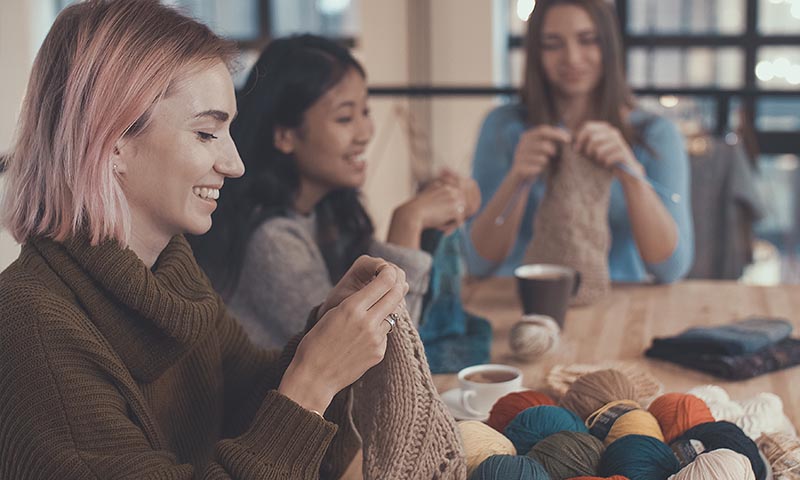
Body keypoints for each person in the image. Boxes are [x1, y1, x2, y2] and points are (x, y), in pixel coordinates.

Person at [0, 2, 466, 479]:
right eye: (206, 133)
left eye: (228, 131)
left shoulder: (171, 278)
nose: (235, 163)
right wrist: (313, 381)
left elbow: (247, 401)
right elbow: (282, 417)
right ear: (112, 140)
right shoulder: (30, 329)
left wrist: (325, 329)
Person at [189, 34, 480, 349]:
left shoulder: (327, 210)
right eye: (345, 117)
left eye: (365, 112)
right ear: (285, 135)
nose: (366, 132)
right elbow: (381, 356)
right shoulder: (270, 242)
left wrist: (436, 217)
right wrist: (408, 222)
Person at [465, 0, 694, 283]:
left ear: (609, 47)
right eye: (553, 43)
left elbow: (672, 268)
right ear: (537, 52)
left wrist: (631, 175)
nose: (572, 58)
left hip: (619, 300)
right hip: (519, 300)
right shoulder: (504, 127)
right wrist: (518, 177)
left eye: (588, 40)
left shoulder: (654, 134)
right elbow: (477, 262)